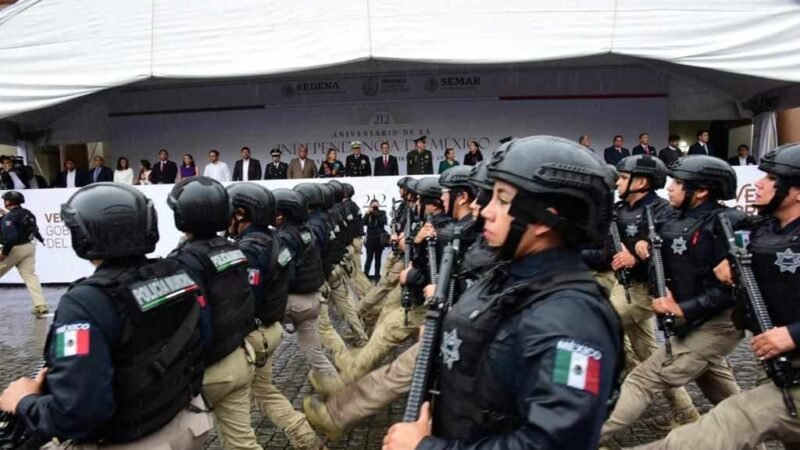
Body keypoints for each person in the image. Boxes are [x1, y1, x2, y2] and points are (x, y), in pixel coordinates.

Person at [383, 136, 623, 450]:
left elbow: (553, 442)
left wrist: (426, 448)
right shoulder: (507, 276)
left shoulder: (574, 321)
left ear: (544, 219)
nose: (485, 211)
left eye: (502, 200)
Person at [0, 183, 212, 449]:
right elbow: (204, 339)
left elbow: (78, 413)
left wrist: (24, 401)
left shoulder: (86, 302)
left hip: (131, 438)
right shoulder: (177, 273)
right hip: (188, 423)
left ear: (82, 235)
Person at [632, 143, 800, 450]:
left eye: (772, 179)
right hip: (776, 361)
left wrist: (793, 334)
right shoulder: (763, 229)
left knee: (720, 427)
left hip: (784, 352)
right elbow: (742, 242)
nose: (759, 184)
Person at [600, 155, 745, 442]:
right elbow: (652, 247)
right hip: (689, 322)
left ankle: (578, 438)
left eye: (678, 183)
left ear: (700, 191)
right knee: (723, 394)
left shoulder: (730, 221)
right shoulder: (671, 217)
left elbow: (762, 240)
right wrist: (640, 246)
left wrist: (737, 259)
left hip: (717, 322)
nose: (670, 188)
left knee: (643, 379)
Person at [226, 183, 324, 450]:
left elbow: (245, 297)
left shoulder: (249, 249)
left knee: (233, 404)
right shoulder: (276, 239)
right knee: (263, 391)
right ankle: (304, 436)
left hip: (253, 335)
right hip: (271, 329)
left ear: (242, 214)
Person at [166, 177, 261, 450]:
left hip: (210, 371)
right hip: (239, 356)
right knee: (243, 443)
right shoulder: (232, 248)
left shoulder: (183, 261)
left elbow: (192, 326)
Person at [611, 155, 699, 425]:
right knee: (649, 354)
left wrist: (639, 254)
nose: (618, 182)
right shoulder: (618, 210)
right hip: (623, 285)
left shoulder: (663, 211)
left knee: (596, 326)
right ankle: (687, 414)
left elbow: (670, 247)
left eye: (623, 178)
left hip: (646, 290)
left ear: (641, 182)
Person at [273, 187, 344, 395]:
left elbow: (283, 272)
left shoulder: (286, 236)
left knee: (254, 337)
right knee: (316, 356)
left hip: (293, 302)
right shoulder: (306, 230)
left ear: (283, 214)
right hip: (313, 300)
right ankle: (343, 396)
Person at [0, 190, 47, 316]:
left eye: (5, 200)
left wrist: (4, 254)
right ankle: (40, 305)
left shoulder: (9, 218)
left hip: (15, 249)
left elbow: (12, 238)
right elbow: (28, 226)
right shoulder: (27, 213)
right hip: (29, 247)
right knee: (30, 276)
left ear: (9, 202)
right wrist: (6, 216)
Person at [363, 199, 388, 280]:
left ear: (379, 205)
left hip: (379, 239)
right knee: (368, 259)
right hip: (370, 239)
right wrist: (367, 213)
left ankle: (377, 276)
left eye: (376, 206)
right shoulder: (368, 214)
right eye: (373, 206)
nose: (374, 208)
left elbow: (383, 222)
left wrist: (376, 214)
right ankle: (366, 276)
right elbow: (363, 222)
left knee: (378, 259)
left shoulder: (382, 213)